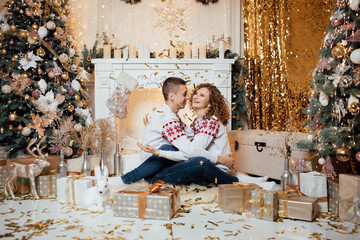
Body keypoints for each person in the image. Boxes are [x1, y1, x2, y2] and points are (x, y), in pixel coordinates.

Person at [141, 83, 275, 189]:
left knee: (191, 166)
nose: (195, 97)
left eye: (202, 95)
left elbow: (192, 152)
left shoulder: (210, 122)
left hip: (214, 167)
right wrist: (156, 125)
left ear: (210, 103)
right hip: (214, 163)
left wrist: (159, 152)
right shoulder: (198, 121)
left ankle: (257, 184)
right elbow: (180, 132)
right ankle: (255, 180)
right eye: (196, 93)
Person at [108, 77, 234, 186]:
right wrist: (219, 158)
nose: (190, 97)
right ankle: (128, 179)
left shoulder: (174, 117)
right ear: (172, 96)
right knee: (172, 150)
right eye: (185, 94)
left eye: (201, 95)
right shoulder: (170, 119)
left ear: (211, 103)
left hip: (163, 165)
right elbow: (191, 149)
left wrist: (154, 129)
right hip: (155, 165)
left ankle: (136, 178)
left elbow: (190, 144)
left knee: (185, 155)